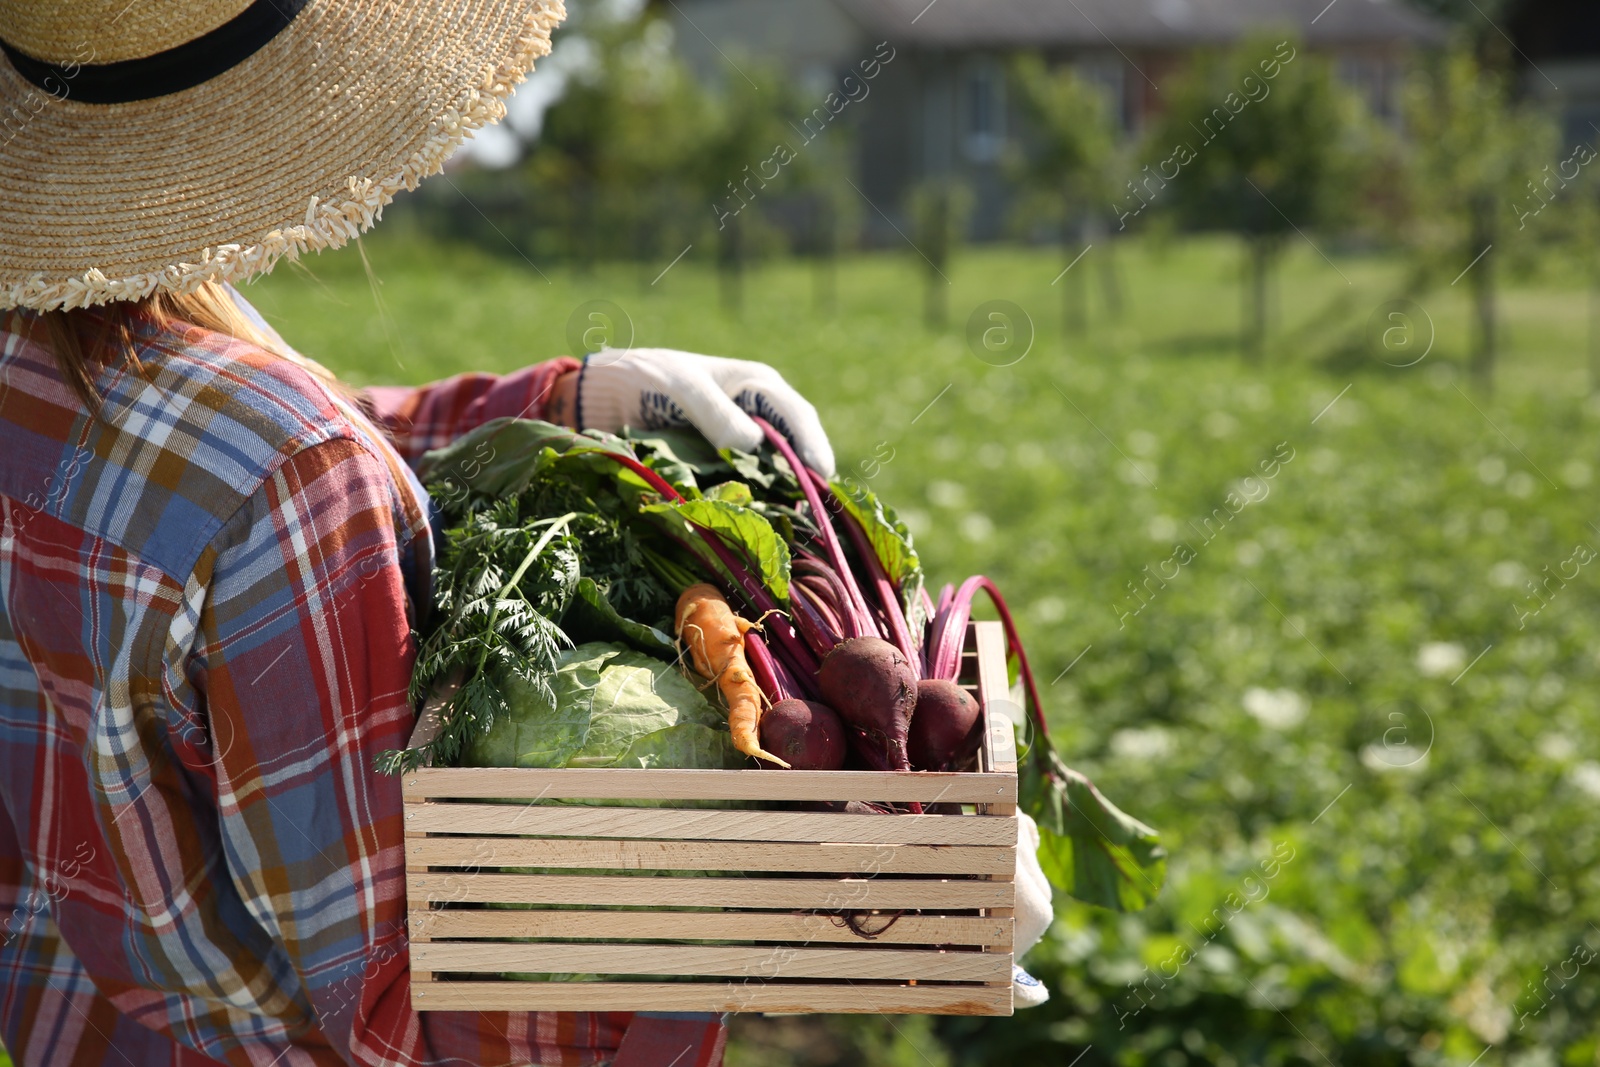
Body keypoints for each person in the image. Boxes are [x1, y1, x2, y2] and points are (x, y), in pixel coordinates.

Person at [0, 0, 840, 1062]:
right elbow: (393, 1005)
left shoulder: (45, 363)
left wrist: (561, 407)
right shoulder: (288, 469)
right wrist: (743, 925)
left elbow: (209, 460)